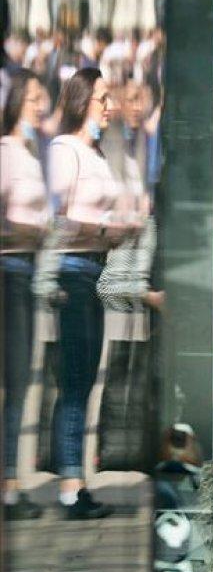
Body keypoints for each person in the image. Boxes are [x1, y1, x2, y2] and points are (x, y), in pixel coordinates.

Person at [36, 68, 134, 519]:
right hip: (73, 271)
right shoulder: (65, 150)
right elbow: (56, 220)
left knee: (83, 379)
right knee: (74, 381)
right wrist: (105, 230)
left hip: (94, 268)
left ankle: (75, 483)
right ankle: (71, 489)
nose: (110, 106)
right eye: (102, 98)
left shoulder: (95, 152)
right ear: (82, 101)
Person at [2, 69, 50, 520]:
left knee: (18, 384)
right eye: (34, 98)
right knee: (11, 383)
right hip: (10, 270)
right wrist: (30, 231)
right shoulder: (7, 154)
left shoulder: (30, 154)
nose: (41, 106)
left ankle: (11, 485)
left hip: (25, 270)